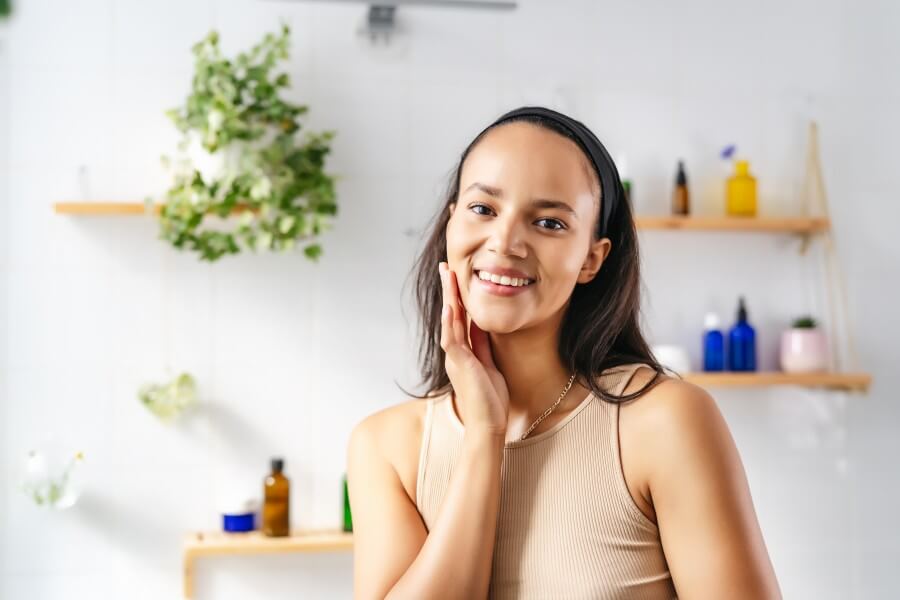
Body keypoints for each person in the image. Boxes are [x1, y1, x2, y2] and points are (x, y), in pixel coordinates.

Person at [347, 106, 781, 599]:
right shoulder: (386, 448)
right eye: (483, 209)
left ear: (592, 259)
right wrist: (484, 436)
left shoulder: (663, 421)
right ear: (451, 226)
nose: (505, 242)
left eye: (549, 223)